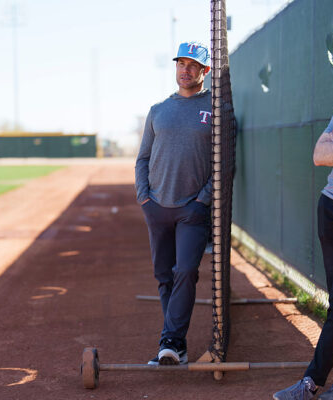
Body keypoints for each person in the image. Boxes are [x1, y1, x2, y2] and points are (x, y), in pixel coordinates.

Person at [135, 41, 212, 366]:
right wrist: (145, 199)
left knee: (186, 271)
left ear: (205, 70)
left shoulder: (217, 109)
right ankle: (175, 345)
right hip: (158, 208)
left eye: (192, 65)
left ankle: (170, 340)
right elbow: (143, 159)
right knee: (164, 276)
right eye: (181, 63)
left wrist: (202, 201)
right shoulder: (158, 110)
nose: (185, 70)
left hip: (193, 210)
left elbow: (228, 163)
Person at [273, 106, 333, 399]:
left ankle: (311, 382)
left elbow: (331, 152)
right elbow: (319, 154)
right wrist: (330, 149)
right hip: (331, 208)